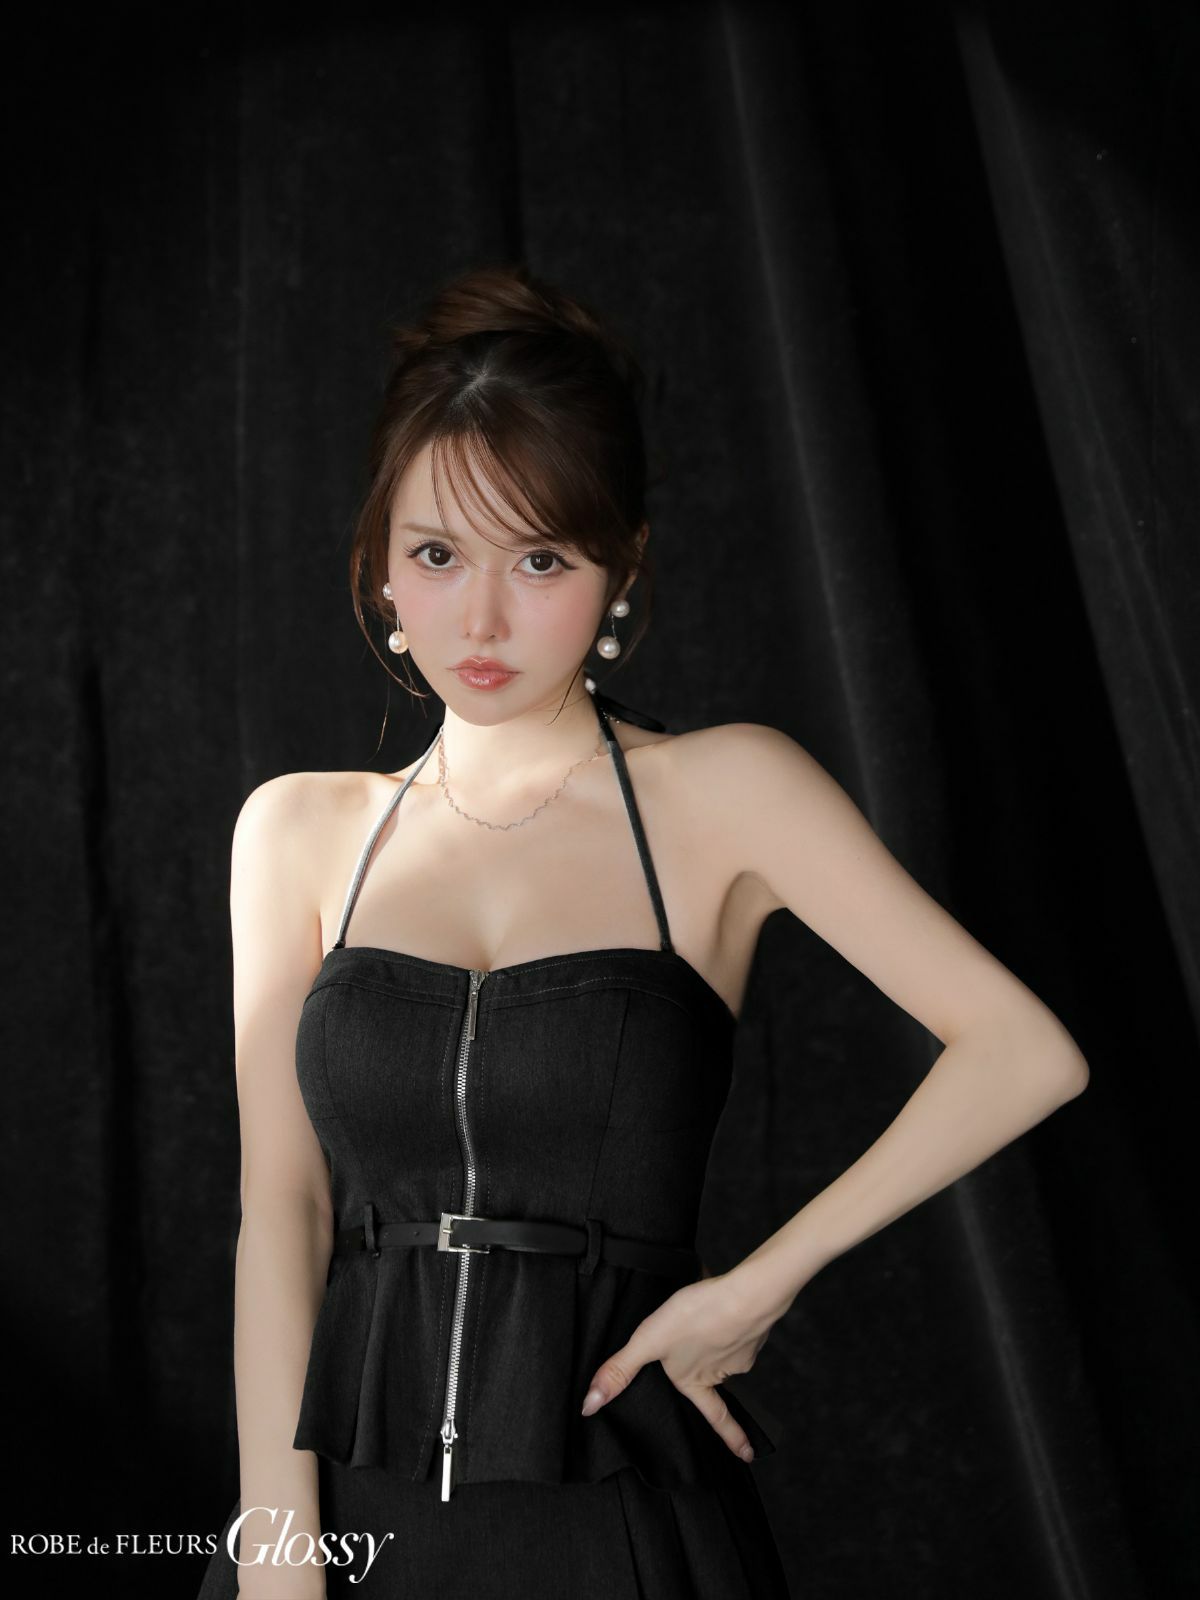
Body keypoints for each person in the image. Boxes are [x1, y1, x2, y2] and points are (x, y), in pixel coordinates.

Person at [197, 263, 1089, 1599]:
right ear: (379, 565)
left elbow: (1024, 1052)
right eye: (438, 555)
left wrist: (758, 1286)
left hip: (618, 1521)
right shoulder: (296, 831)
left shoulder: (725, 792)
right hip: (345, 1518)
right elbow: (282, 1204)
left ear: (623, 566)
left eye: (540, 559)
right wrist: (280, 1559)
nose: (481, 618)